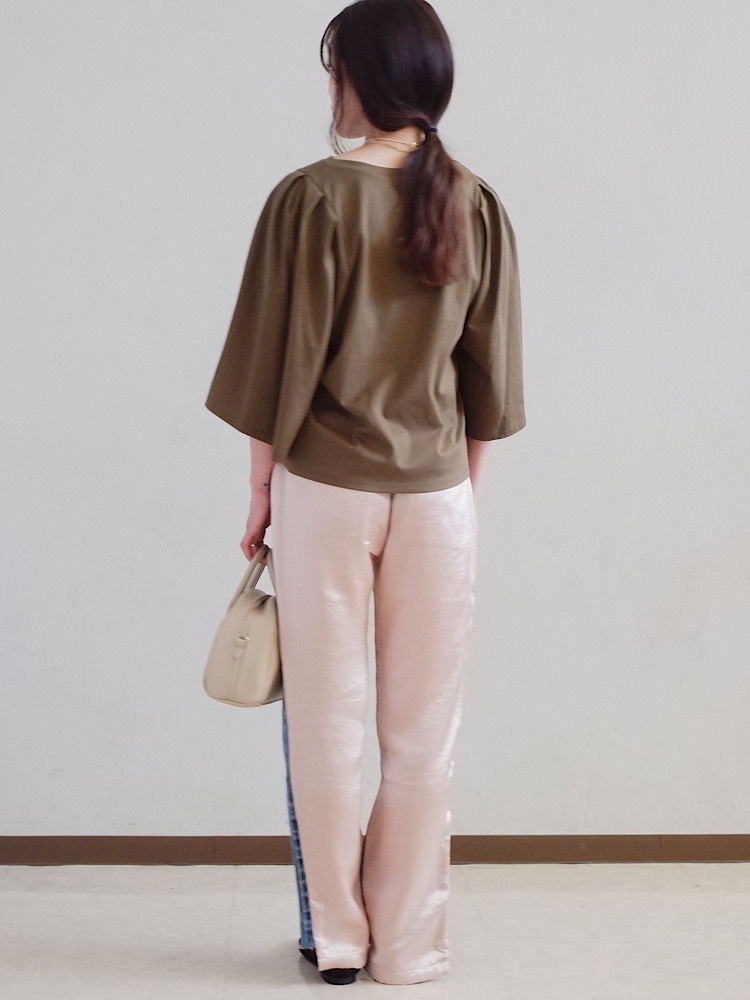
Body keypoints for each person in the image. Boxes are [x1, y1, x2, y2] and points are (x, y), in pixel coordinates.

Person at [204, 0, 525, 985]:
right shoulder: (474, 201)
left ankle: (339, 944)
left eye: (334, 71)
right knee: (424, 738)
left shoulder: (309, 198)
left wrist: (260, 491)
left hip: (325, 490)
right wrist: (455, 499)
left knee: (327, 726)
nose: (330, 91)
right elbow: (490, 390)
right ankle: (409, 947)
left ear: (365, 80)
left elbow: (270, 364)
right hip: (438, 498)